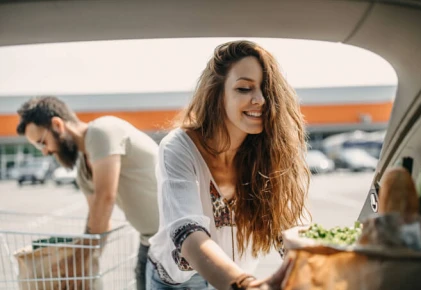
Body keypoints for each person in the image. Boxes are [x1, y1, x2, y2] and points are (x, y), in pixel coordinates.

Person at [146, 40, 310, 290]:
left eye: (267, 90)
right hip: (176, 282)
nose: (261, 99)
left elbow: (290, 227)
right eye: (244, 88)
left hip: (233, 279)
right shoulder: (178, 147)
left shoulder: (270, 152)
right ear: (218, 93)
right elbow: (189, 237)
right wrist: (247, 285)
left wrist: (311, 268)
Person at [16, 97, 160, 290]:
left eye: (42, 143)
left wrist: (78, 261)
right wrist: (85, 266)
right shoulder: (83, 173)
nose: (45, 152)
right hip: (149, 244)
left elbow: (105, 199)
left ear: (57, 125)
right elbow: (98, 220)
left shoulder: (102, 132)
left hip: (180, 241)